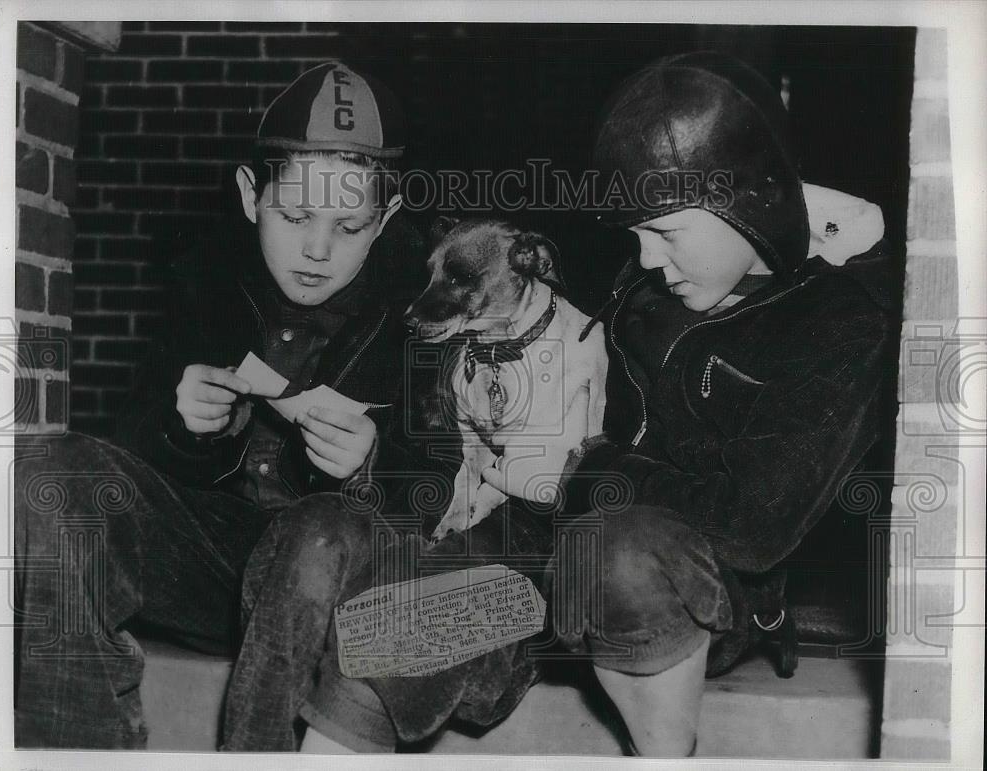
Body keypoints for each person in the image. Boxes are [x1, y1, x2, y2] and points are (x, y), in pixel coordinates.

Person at [248, 51, 896, 757]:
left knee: (623, 548)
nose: (645, 258)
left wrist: (581, 466)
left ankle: (666, 752)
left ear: (745, 201)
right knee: (383, 627)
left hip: (682, 584)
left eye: (666, 231)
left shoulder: (837, 324)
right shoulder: (652, 287)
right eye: (636, 234)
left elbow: (753, 527)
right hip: (540, 571)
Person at [12, 59, 431, 749]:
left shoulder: (426, 309)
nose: (317, 249)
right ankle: (75, 746)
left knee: (318, 530)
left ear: (385, 218)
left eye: (349, 225)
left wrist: (373, 464)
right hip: (214, 566)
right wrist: (188, 428)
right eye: (295, 214)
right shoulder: (203, 282)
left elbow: (457, 489)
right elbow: (129, 459)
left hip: (336, 581)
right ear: (249, 195)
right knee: (52, 469)